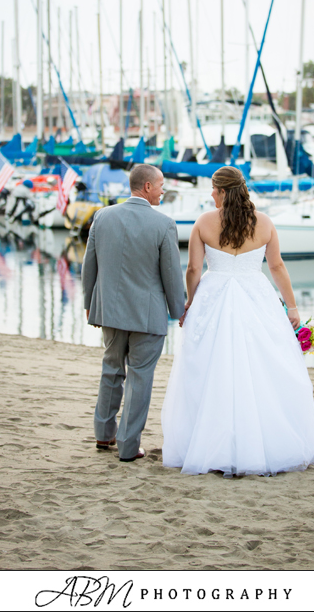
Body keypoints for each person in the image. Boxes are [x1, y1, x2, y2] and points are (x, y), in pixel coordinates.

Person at [161, 165, 314, 477]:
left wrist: (190, 301)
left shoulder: (204, 222)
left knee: (210, 368)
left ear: (224, 191)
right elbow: (277, 266)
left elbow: (194, 270)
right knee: (262, 365)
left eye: (214, 189)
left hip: (214, 297)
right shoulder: (264, 223)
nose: (210, 194)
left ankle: (213, 444)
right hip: (257, 296)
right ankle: (263, 442)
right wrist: (291, 307)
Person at [82, 164, 185, 462]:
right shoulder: (164, 224)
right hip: (147, 315)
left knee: (111, 368)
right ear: (148, 187)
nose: (164, 190)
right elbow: (171, 275)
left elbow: (90, 264)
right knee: (140, 377)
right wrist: (179, 310)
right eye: (161, 184)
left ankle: (104, 434)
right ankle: (128, 446)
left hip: (110, 312)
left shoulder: (102, 216)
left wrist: (90, 302)